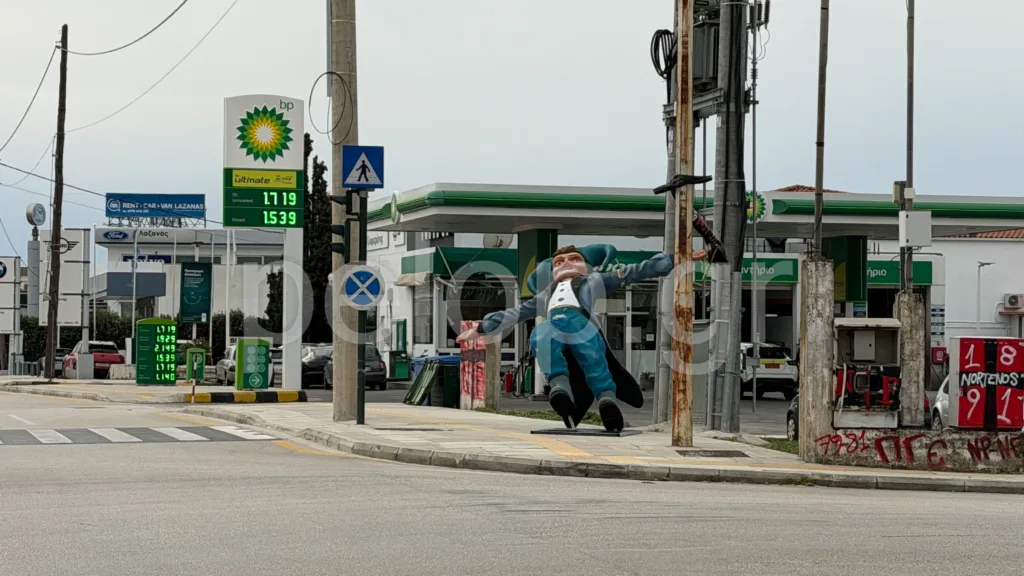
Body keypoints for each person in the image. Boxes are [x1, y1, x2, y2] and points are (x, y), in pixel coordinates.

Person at [457, 245, 674, 432]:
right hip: (554, 324)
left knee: (594, 359)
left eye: (575, 259)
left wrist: (672, 261)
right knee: (540, 336)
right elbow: (518, 312)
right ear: (551, 272)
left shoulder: (593, 280)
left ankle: (607, 400)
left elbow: (631, 272)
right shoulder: (545, 296)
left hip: (582, 323)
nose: (566, 264)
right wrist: (482, 327)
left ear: (586, 266)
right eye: (559, 262)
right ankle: (560, 388)